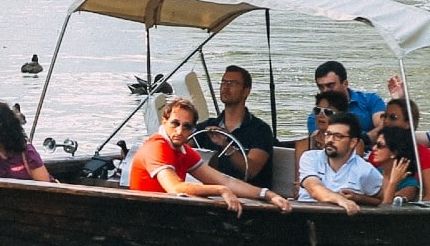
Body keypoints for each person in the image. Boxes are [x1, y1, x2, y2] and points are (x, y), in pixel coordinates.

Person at [131, 95, 291, 215]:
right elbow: (174, 188)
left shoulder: (184, 151)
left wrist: (266, 194)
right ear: (164, 121)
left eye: (187, 127)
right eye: (175, 123)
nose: (180, 131)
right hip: (143, 213)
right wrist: (220, 190)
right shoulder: (157, 146)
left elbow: (224, 179)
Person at [191, 63, 277, 186]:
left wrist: (226, 146)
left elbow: (251, 170)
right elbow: (183, 146)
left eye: (233, 83)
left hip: (249, 198)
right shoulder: (206, 127)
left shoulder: (260, 130)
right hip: (211, 194)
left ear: (246, 91)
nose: (226, 87)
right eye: (223, 83)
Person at [297, 111, 384, 212]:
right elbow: (314, 188)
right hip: (306, 217)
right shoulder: (310, 158)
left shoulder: (365, 170)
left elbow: (381, 199)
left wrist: (359, 198)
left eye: (337, 136)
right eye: (328, 134)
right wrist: (341, 200)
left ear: (353, 142)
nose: (330, 140)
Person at [306, 60, 386, 137]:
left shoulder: (371, 100)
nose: (325, 91)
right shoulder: (316, 116)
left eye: (330, 85)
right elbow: (320, 139)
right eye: (321, 87)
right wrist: (367, 137)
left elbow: (384, 128)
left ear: (345, 84)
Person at [369, 119, 422, 203]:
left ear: (394, 152)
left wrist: (393, 182)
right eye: (374, 144)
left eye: (380, 145)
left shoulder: (410, 185)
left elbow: (387, 207)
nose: (374, 148)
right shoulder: (372, 173)